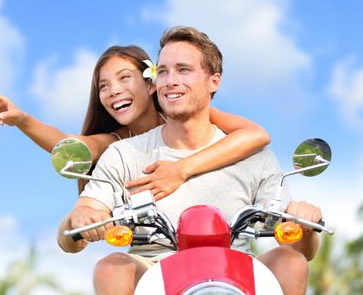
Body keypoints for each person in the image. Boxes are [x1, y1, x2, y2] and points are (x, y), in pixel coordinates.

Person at [57, 27, 322, 294]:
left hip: (235, 273)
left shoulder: (251, 156)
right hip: (152, 272)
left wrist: (305, 224)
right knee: (111, 267)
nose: (170, 80)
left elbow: (302, 250)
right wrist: (80, 219)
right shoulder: (124, 153)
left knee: (291, 261)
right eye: (163, 71)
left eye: (183, 70)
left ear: (213, 81)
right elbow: (71, 235)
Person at [0, 45, 270, 200]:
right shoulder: (119, 144)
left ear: (151, 84)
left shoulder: (185, 117)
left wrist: (181, 169)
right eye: (104, 86)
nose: (114, 91)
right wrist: (21, 119)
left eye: (124, 78)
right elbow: (69, 145)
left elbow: (255, 134)